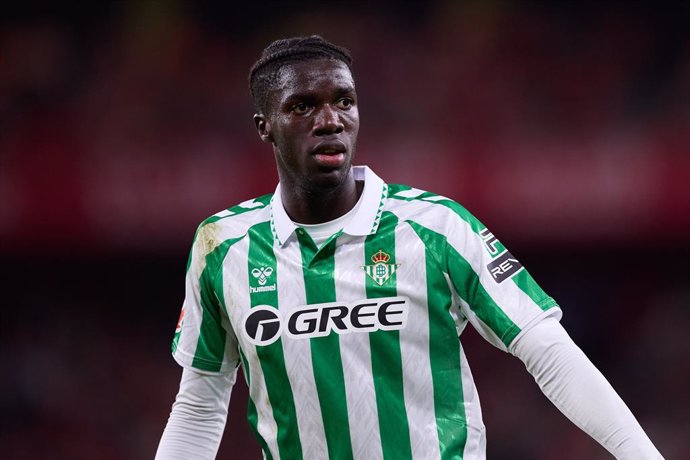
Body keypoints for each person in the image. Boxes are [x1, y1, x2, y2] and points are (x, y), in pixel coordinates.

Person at [156, 36, 663, 459]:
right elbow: (201, 403)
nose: (330, 120)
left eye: (344, 100)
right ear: (264, 126)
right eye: (302, 106)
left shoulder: (435, 227)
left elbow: (547, 350)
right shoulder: (223, 247)